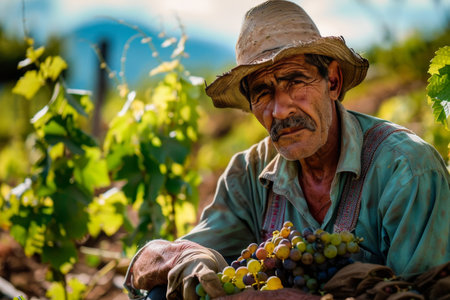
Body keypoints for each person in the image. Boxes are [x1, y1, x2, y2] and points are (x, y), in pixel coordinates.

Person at [125, 1, 450, 299]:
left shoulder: (407, 169)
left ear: (333, 82)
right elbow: (156, 260)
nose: (279, 110)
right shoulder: (248, 174)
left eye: (295, 81)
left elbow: (428, 292)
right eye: (263, 92)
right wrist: (188, 257)